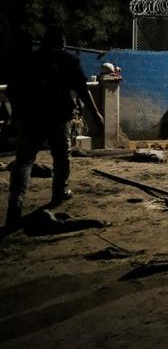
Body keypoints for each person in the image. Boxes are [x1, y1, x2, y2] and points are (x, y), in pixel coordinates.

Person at [5, 26, 104, 229]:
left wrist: (15, 116)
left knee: (24, 161)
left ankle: (15, 204)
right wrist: (95, 114)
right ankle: (59, 192)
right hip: (58, 117)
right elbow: (82, 90)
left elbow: (13, 91)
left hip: (29, 117)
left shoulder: (28, 61)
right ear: (62, 43)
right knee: (61, 155)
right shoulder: (69, 61)